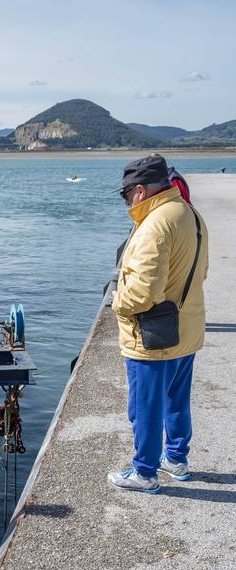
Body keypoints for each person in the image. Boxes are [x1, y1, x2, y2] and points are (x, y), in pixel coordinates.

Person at [108, 154, 209, 493]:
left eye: (125, 195)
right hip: (187, 328)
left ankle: (144, 473)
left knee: (145, 408)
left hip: (153, 337)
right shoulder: (189, 214)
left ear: (139, 191)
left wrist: (119, 306)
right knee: (177, 401)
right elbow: (202, 272)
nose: (126, 201)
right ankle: (176, 460)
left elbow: (143, 290)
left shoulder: (154, 224)